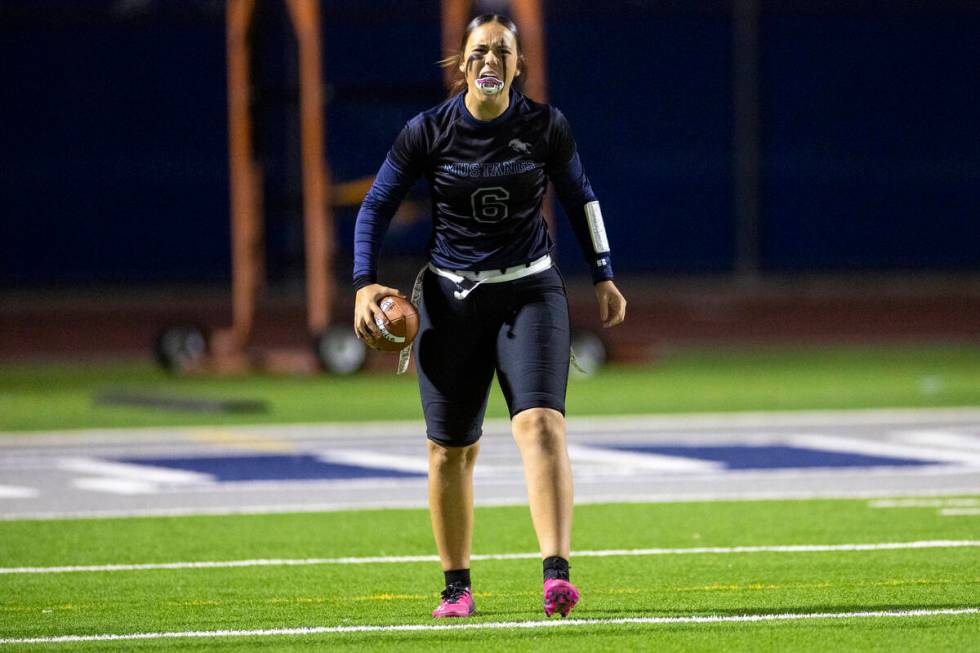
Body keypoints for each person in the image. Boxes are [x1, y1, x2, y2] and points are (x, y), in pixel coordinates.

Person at [352, 13, 626, 619]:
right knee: (449, 450)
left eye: (502, 51)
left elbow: (583, 197)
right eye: (479, 51)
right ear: (461, 63)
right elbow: (375, 205)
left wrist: (603, 272)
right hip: (450, 301)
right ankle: (456, 587)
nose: (489, 61)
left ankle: (557, 574)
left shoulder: (545, 126)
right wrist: (362, 283)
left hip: (529, 290)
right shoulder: (427, 131)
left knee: (542, 424)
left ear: (517, 63)